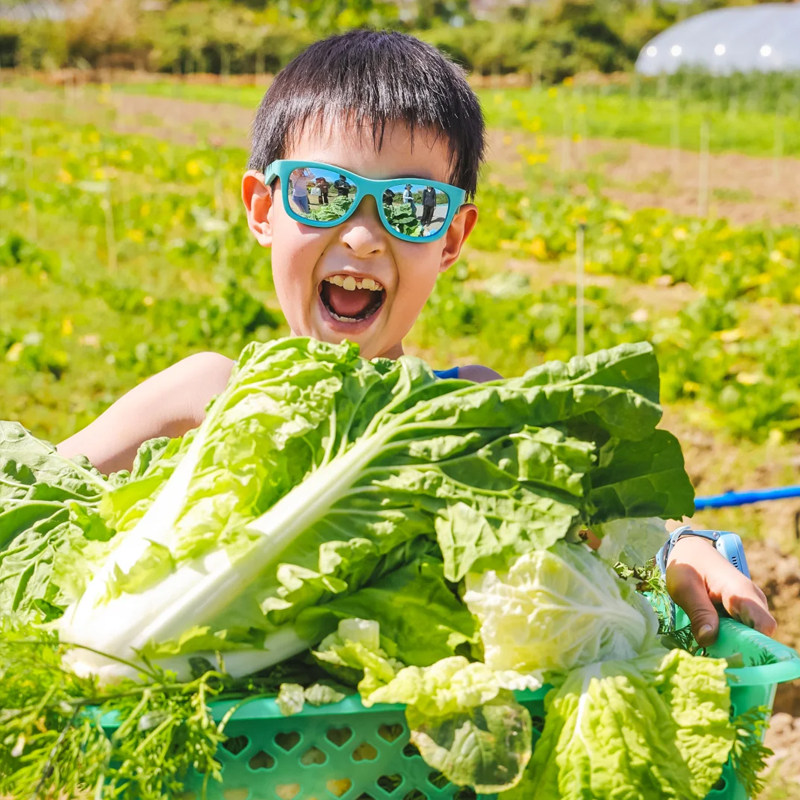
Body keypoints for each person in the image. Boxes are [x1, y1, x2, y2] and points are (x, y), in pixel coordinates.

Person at [55, 30, 775, 648]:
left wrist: (683, 545)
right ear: (263, 209)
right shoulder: (201, 395)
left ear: (453, 238)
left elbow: (619, 533)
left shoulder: (470, 413)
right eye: (325, 194)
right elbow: (32, 496)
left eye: (413, 205)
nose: (364, 237)